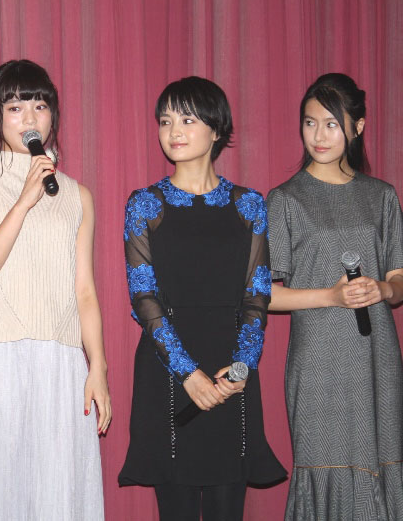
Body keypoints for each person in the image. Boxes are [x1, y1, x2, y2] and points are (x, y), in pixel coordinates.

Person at [0, 59, 111, 521]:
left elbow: (85, 291)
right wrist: (22, 203)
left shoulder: (76, 195)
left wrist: (97, 366)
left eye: (40, 106)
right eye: (15, 108)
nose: (30, 119)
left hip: (61, 359)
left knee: (61, 495)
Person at [118, 76, 286, 521]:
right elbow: (143, 297)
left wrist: (241, 368)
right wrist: (189, 374)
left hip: (232, 369)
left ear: (217, 130)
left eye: (187, 120)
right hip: (167, 368)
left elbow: (257, 294)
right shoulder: (144, 204)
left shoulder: (249, 204)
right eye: (165, 120)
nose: (173, 130)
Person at [267, 73, 403, 520]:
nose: (319, 135)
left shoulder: (382, 196)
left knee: (381, 461)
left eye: (332, 124)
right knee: (322, 465)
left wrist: (383, 288)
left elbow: (399, 285)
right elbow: (266, 296)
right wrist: (331, 297)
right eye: (310, 123)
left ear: (358, 127)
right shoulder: (285, 199)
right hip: (317, 359)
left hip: (377, 356)